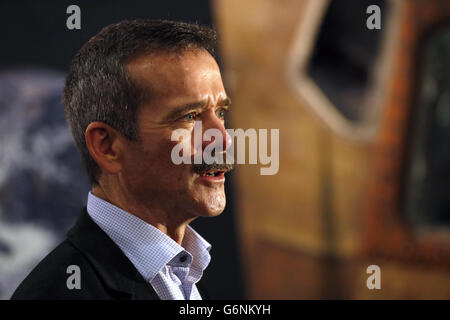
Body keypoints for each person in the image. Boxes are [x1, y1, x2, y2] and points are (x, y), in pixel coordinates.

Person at [11, 19, 233, 300]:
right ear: (107, 146)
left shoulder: (181, 272)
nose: (224, 140)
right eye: (190, 117)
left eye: (221, 113)